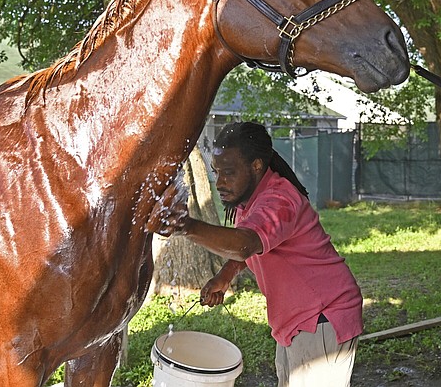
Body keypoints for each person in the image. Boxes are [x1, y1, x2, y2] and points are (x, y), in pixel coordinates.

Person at [152, 121, 363, 387]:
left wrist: (187, 226)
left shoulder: (280, 200)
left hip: (323, 315)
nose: (220, 182)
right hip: (297, 318)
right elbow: (248, 247)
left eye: (228, 172)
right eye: (217, 172)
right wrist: (225, 275)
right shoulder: (249, 201)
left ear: (256, 165)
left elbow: (245, 243)